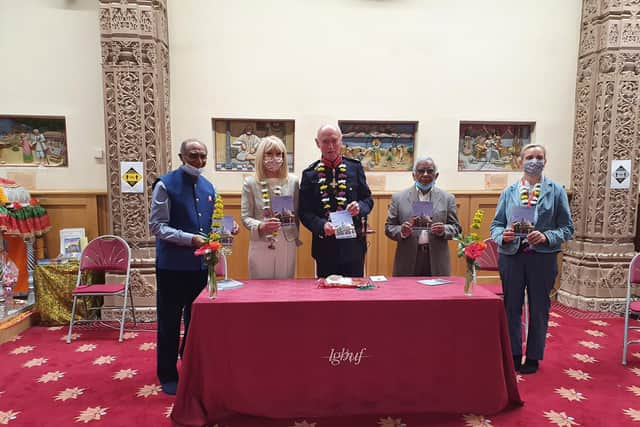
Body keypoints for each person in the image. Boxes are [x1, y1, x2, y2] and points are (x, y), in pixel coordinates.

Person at [149, 138, 238, 395]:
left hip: (200, 267)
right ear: (181, 157)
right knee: (169, 322)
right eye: (193, 156)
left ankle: (189, 364)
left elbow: (212, 225)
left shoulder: (209, 187)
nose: (198, 161)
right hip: (171, 267)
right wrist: (190, 239)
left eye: (203, 156)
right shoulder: (165, 185)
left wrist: (227, 229)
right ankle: (167, 374)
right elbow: (156, 226)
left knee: (196, 322)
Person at [490, 144, 574, 374]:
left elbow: (567, 228)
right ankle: (514, 353)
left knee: (539, 308)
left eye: (539, 157)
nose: (534, 161)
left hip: (542, 259)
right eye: (529, 157)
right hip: (512, 257)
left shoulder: (556, 191)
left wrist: (547, 236)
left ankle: (534, 356)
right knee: (511, 307)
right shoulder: (509, 192)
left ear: (545, 161)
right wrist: (502, 236)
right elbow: (496, 225)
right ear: (520, 161)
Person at [299, 124, 373, 278]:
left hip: (353, 247)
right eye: (325, 141)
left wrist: (359, 207)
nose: (330, 146)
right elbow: (304, 211)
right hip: (324, 247)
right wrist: (321, 225)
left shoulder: (355, 168)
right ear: (317, 143)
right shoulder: (309, 174)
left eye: (334, 141)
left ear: (341, 140)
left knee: (354, 296)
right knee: (326, 297)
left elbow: (368, 200)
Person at [385, 156, 461, 276]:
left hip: (437, 259)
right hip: (407, 258)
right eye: (421, 171)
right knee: (408, 293)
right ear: (414, 175)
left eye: (430, 171)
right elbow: (389, 227)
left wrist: (444, 230)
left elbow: (456, 228)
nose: (425, 174)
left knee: (437, 294)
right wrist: (402, 231)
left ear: (436, 176)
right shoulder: (398, 198)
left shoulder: (448, 198)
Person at [241, 135, 300, 278]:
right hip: (261, 241)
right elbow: (245, 216)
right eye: (269, 153)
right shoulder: (250, 183)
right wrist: (261, 225)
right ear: (261, 155)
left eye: (278, 154)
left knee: (285, 288)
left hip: (286, 242)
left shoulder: (293, 181)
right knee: (260, 289)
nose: (274, 158)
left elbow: (298, 213)